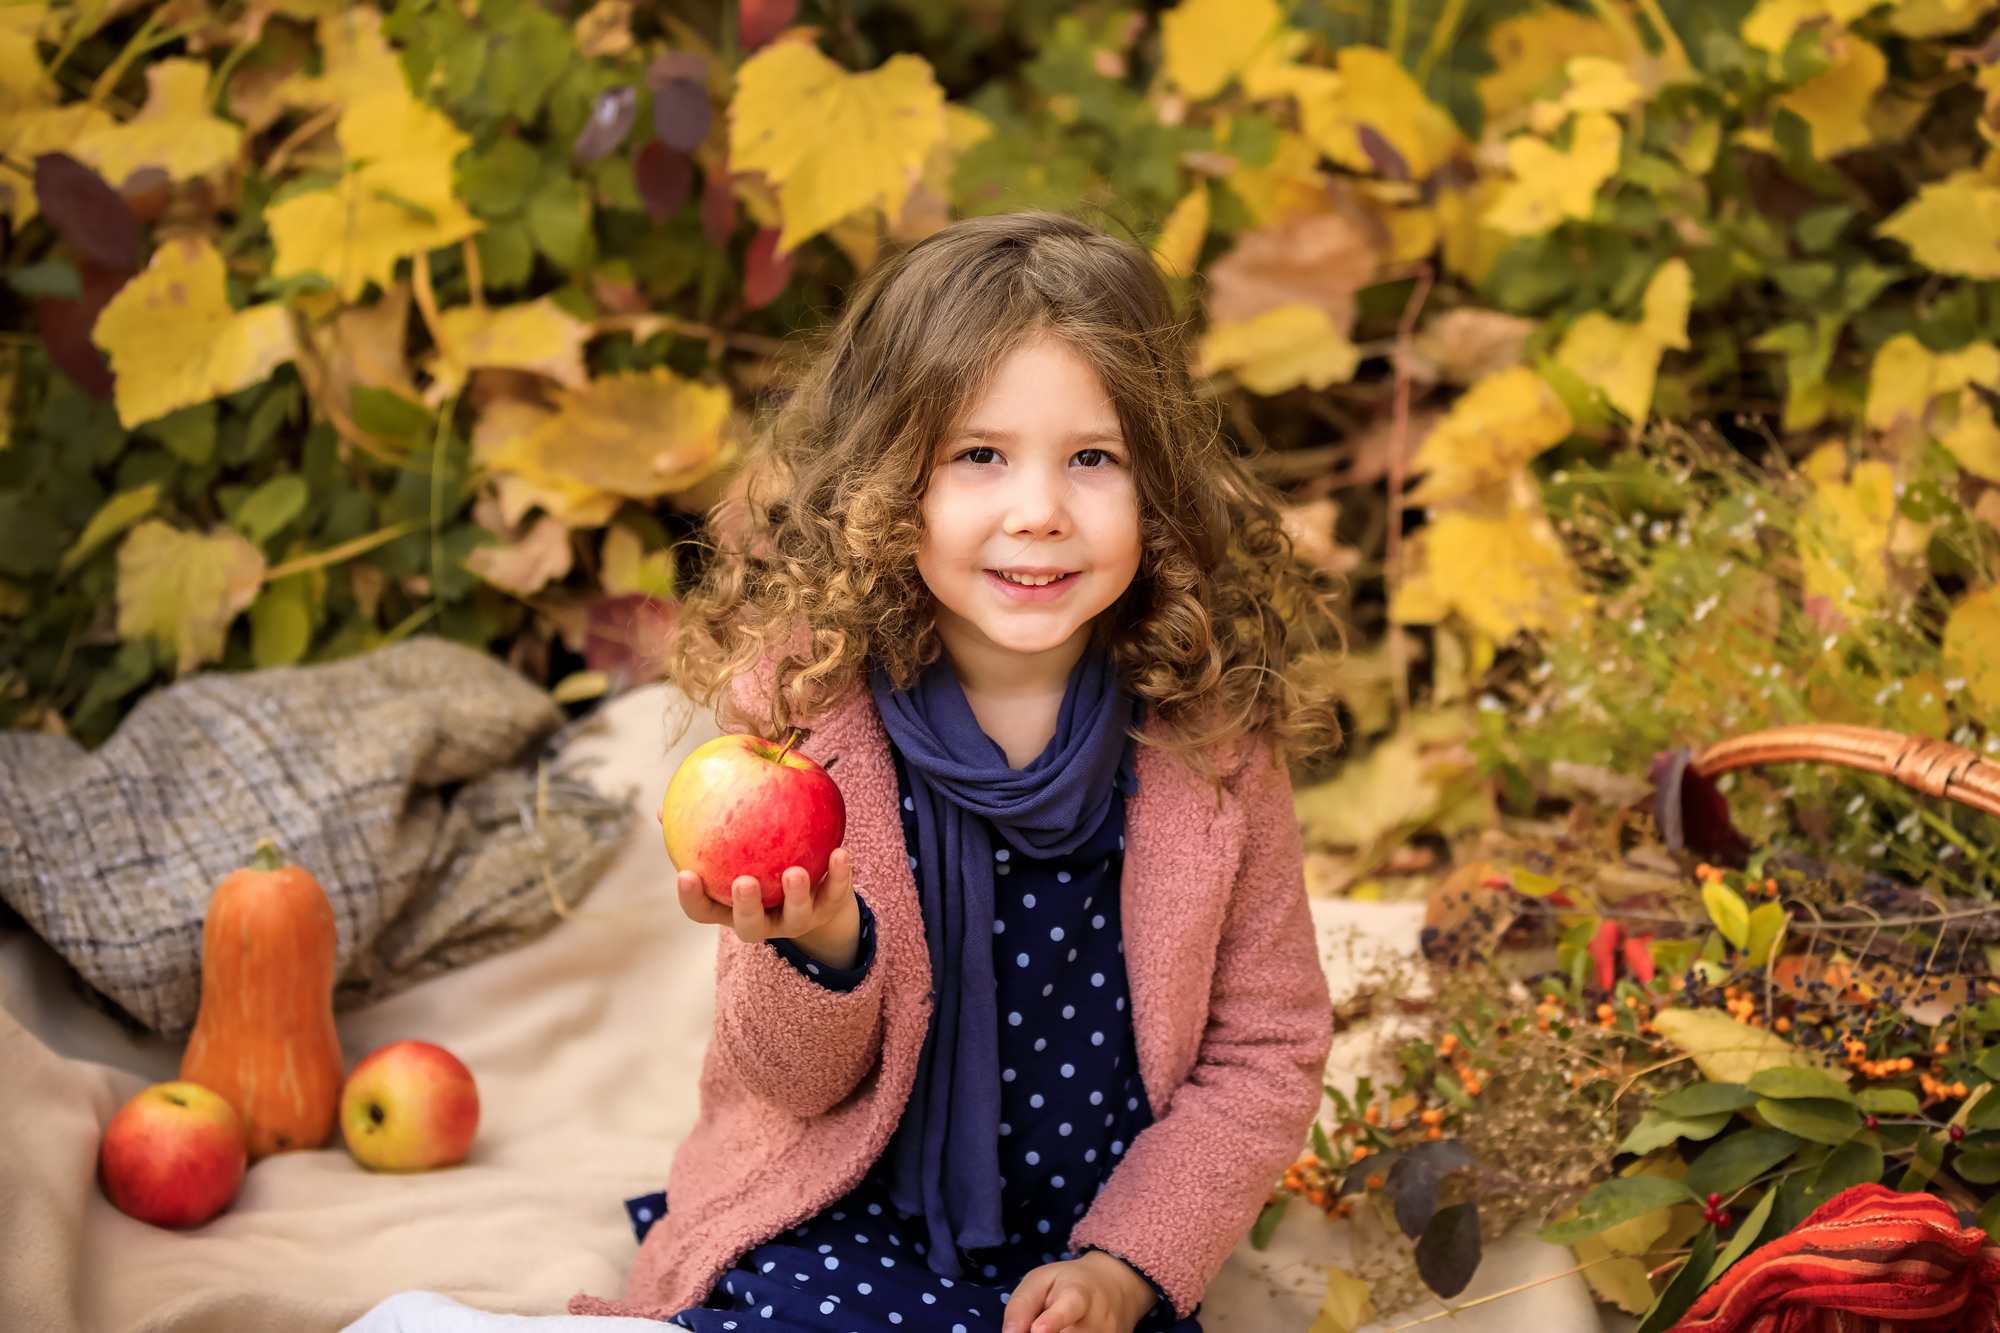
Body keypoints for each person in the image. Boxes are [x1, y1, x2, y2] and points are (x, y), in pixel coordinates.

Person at [568, 211, 1344, 1333]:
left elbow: (1265, 1047)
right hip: (847, 1197)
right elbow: (789, 1087)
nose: (1038, 510)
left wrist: (1126, 1264)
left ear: (1160, 485)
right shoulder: (808, 727)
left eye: (1093, 458)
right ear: (890, 485)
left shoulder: (1207, 741)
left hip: (1098, 1221)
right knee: (789, 1309)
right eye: (978, 455)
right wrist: (818, 940)